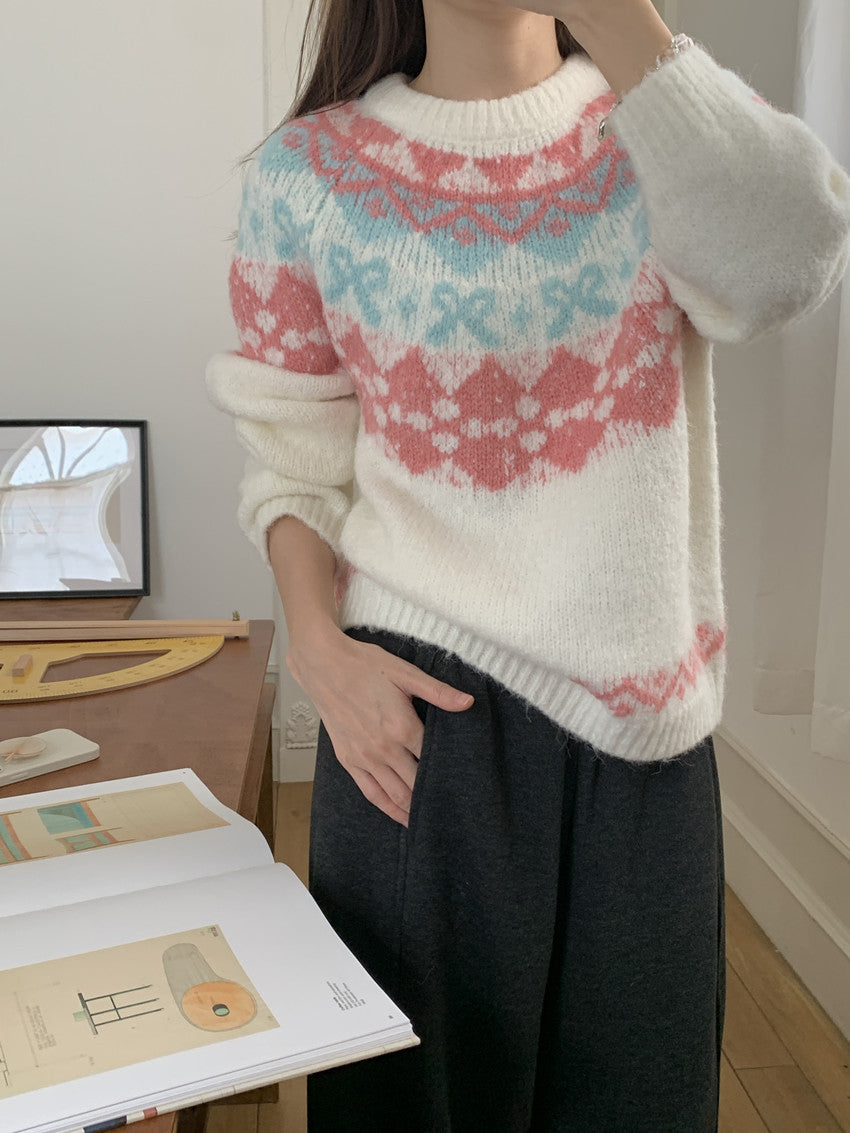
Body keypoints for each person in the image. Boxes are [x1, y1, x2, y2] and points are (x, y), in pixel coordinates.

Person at [205, 0, 850, 1125]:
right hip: (417, 725)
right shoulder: (306, 175)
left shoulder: (662, 127)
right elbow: (291, 452)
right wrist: (314, 646)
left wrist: (624, 22)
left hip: (645, 736)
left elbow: (791, 260)